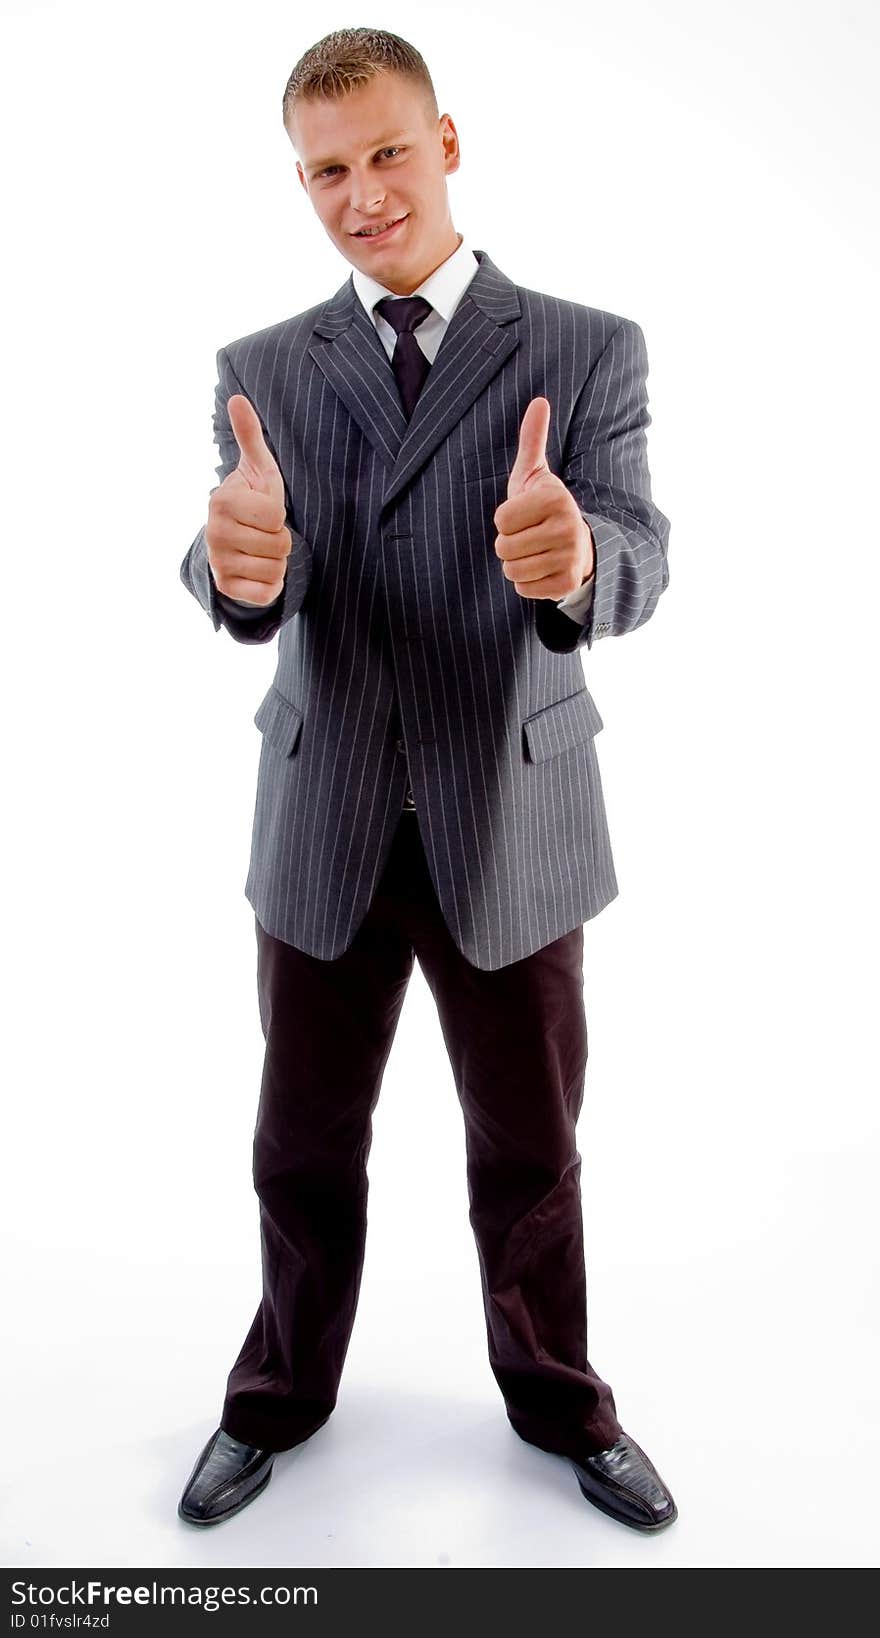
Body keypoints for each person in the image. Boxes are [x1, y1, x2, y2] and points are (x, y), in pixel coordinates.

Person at [177, 26, 675, 1534]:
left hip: (507, 815)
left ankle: (560, 1401)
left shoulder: (587, 348)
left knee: (531, 1149)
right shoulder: (261, 368)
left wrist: (580, 559)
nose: (362, 193)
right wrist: (232, 568)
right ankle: (275, 1399)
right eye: (327, 169)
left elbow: (643, 553)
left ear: (446, 144)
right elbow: (246, 548)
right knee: (299, 1144)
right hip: (328, 816)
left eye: (387, 153)